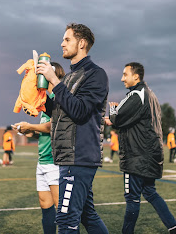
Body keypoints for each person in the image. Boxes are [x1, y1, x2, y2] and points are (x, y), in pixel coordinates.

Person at [36, 23, 109, 233]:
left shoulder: (96, 74)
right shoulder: (68, 77)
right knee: (88, 215)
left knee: (66, 220)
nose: (62, 43)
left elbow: (80, 111)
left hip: (79, 156)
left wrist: (54, 80)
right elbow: (61, 113)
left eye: (67, 39)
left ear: (82, 43)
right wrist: (40, 101)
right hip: (68, 156)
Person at [105, 62, 176, 234]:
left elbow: (117, 119)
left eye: (125, 74)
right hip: (150, 154)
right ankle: (175, 228)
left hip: (136, 156)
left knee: (132, 198)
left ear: (136, 76)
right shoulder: (151, 95)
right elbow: (133, 120)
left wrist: (112, 108)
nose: (122, 78)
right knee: (150, 192)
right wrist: (115, 117)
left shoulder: (136, 94)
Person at [13, 62, 65, 234]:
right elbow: (43, 131)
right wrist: (27, 131)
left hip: (55, 162)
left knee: (61, 210)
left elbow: (54, 126)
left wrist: (31, 126)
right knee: (45, 206)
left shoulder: (58, 99)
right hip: (42, 162)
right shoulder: (44, 103)